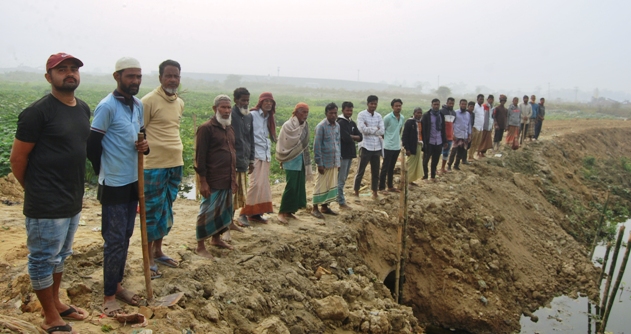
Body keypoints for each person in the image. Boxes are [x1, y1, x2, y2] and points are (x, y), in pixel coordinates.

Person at [10, 53, 90, 333]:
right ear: (48, 77)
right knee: (43, 258)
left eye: (73, 69)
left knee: (61, 255)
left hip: (72, 199)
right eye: (61, 70)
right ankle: (49, 317)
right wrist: (35, 190)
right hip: (46, 201)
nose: (69, 74)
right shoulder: (37, 112)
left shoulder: (82, 108)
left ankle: (56, 302)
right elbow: (18, 160)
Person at [87, 57, 149, 316]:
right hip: (113, 183)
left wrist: (145, 147)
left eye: (138, 77)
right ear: (117, 77)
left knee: (125, 236)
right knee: (113, 240)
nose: (135, 81)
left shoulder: (138, 105)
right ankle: (109, 295)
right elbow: (92, 146)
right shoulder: (106, 106)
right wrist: (104, 171)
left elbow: (142, 138)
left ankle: (118, 284)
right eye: (130, 76)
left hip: (134, 181)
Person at [140, 59, 184, 271]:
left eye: (176, 76)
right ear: (160, 78)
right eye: (169, 75)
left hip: (175, 164)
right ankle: (148, 257)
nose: (173, 80)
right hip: (153, 165)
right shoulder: (148, 101)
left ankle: (158, 251)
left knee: (166, 209)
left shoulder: (179, 102)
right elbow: (139, 132)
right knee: (151, 211)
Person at [194, 95, 237, 258]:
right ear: (215, 109)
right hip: (212, 179)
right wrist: (203, 182)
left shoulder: (230, 128)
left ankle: (216, 239)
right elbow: (200, 157)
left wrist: (233, 178)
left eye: (228, 108)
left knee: (223, 211)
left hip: (227, 178)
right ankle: (200, 246)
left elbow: (232, 151)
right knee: (207, 212)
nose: (226, 111)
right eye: (223, 108)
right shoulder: (206, 128)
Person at [240, 92, 276, 223]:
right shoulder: (253, 115)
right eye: (266, 101)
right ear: (260, 102)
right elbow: (246, 134)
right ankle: (243, 213)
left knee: (263, 184)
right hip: (254, 153)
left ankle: (256, 213)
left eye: (271, 102)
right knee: (254, 184)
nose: (268, 104)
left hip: (265, 154)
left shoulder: (269, 117)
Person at [276, 103, 312, 224]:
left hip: (301, 159)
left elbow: (305, 142)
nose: (305, 115)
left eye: (307, 112)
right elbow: (287, 142)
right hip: (291, 158)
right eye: (303, 112)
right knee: (291, 186)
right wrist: (298, 146)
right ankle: (281, 212)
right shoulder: (288, 125)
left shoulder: (305, 125)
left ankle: (290, 211)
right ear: (296, 112)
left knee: (298, 185)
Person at [312, 103, 341, 219]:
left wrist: (338, 161)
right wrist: (319, 163)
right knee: (320, 185)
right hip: (324, 162)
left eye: (335, 113)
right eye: (331, 113)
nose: (333, 115)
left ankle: (324, 207)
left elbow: (338, 143)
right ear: (326, 114)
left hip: (334, 161)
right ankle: (314, 208)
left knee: (330, 185)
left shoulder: (337, 126)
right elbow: (317, 146)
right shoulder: (321, 126)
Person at [231, 87, 254, 227]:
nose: (245, 103)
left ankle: (231, 221)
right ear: (236, 100)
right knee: (230, 194)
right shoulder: (230, 115)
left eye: (247, 100)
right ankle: (226, 223)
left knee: (238, 195)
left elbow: (250, 139)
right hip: (232, 162)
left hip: (244, 161)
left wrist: (251, 160)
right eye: (243, 100)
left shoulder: (248, 116)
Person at [354, 95, 384, 200]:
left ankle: (374, 192)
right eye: (371, 103)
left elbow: (382, 131)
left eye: (375, 103)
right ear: (368, 104)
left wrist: (370, 128)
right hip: (365, 146)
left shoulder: (379, 116)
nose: (373, 105)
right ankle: (356, 192)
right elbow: (362, 130)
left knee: (376, 171)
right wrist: (376, 129)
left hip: (377, 147)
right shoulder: (361, 115)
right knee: (360, 171)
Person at [336, 101, 362, 210]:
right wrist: (353, 137)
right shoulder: (341, 122)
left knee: (343, 178)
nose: (349, 112)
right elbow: (345, 138)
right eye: (347, 110)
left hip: (349, 154)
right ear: (343, 110)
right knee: (341, 179)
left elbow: (361, 136)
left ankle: (338, 198)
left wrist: (352, 136)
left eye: (351, 110)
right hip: (343, 154)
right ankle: (341, 201)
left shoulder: (351, 123)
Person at [379, 98, 405, 193]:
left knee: (392, 168)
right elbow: (382, 131)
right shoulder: (387, 118)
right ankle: (381, 188)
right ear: (392, 107)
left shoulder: (402, 117)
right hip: (388, 146)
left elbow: (400, 130)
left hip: (396, 146)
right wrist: (387, 140)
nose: (398, 107)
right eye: (396, 106)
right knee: (385, 167)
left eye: (399, 106)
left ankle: (390, 186)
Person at [421, 99, 448, 181]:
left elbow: (443, 129)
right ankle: (425, 175)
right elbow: (423, 130)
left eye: (437, 104)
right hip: (429, 142)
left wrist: (445, 141)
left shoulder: (441, 115)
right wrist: (424, 142)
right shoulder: (426, 115)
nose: (436, 106)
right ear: (432, 105)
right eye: (434, 104)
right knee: (425, 161)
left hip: (439, 141)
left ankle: (433, 176)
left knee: (435, 161)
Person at [447, 100, 472, 170]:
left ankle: (456, 165)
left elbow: (469, 125)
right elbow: (451, 124)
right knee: (453, 151)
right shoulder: (455, 113)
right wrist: (452, 134)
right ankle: (449, 165)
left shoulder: (468, 114)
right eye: (462, 104)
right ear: (459, 104)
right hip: (457, 135)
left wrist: (469, 135)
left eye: (465, 104)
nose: (463, 105)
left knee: (461, 152)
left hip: (465, 136)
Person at [402, 107, 423, 185]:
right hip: (411, 146)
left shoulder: (421, 122)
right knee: (410, 164)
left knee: (415, 165)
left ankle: (410, 180)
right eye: (417, 113)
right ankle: (406, 181)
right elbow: (405, 136)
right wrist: (407, 148)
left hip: (419, 145)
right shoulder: (409, 122)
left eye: (420, 113)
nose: (419, 114)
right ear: (414, 113)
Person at [439, 97, 456, 173]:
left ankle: (442, 168)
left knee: (446, 153)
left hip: (450, 136)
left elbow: (453, 124)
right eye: (450, 103)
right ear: (446, 103)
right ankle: (435, 169)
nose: (451, 105)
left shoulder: (454, 113)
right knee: (438, 152)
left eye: (452, 103)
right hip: (441, 136)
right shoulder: (441, 112)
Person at [469, 94, 485, 160]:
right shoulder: (475, 107)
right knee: (473, 143)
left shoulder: (482, 107)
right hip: (475, 127)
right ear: (477, 99)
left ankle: (472, 155)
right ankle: (470, 156)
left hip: (481, 127)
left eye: (482, 99)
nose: (482, 100)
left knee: (478, 143)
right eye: (480, 99)